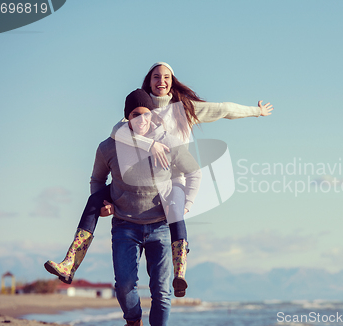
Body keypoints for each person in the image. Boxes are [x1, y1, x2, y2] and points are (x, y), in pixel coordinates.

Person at [44, 62, 273, 298]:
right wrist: (150, 144)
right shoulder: (139, 108)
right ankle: (69, 263)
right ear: (149, 80)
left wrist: (256, 111)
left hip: (169, 181)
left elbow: (223, 109)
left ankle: (180, 273)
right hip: (134, 183)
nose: (161, 81)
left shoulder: (185, 109)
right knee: (94, 200)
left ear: (172, 81)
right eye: (156, 76)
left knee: (176, 212)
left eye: (166, 76)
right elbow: (118, 133)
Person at [95, 89, 201, 326]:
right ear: (127, 117)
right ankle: (133, 321)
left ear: (152, 116)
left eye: (145, 114)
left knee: (162, 293)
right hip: (124, 226)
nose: (141, 120)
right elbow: (97, 180)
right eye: (135, 114)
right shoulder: (109, 147)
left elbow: (194, 172)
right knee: (124, 286)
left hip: (160, 226)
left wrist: (187, 204)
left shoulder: (169, 143)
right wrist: (103, 204)